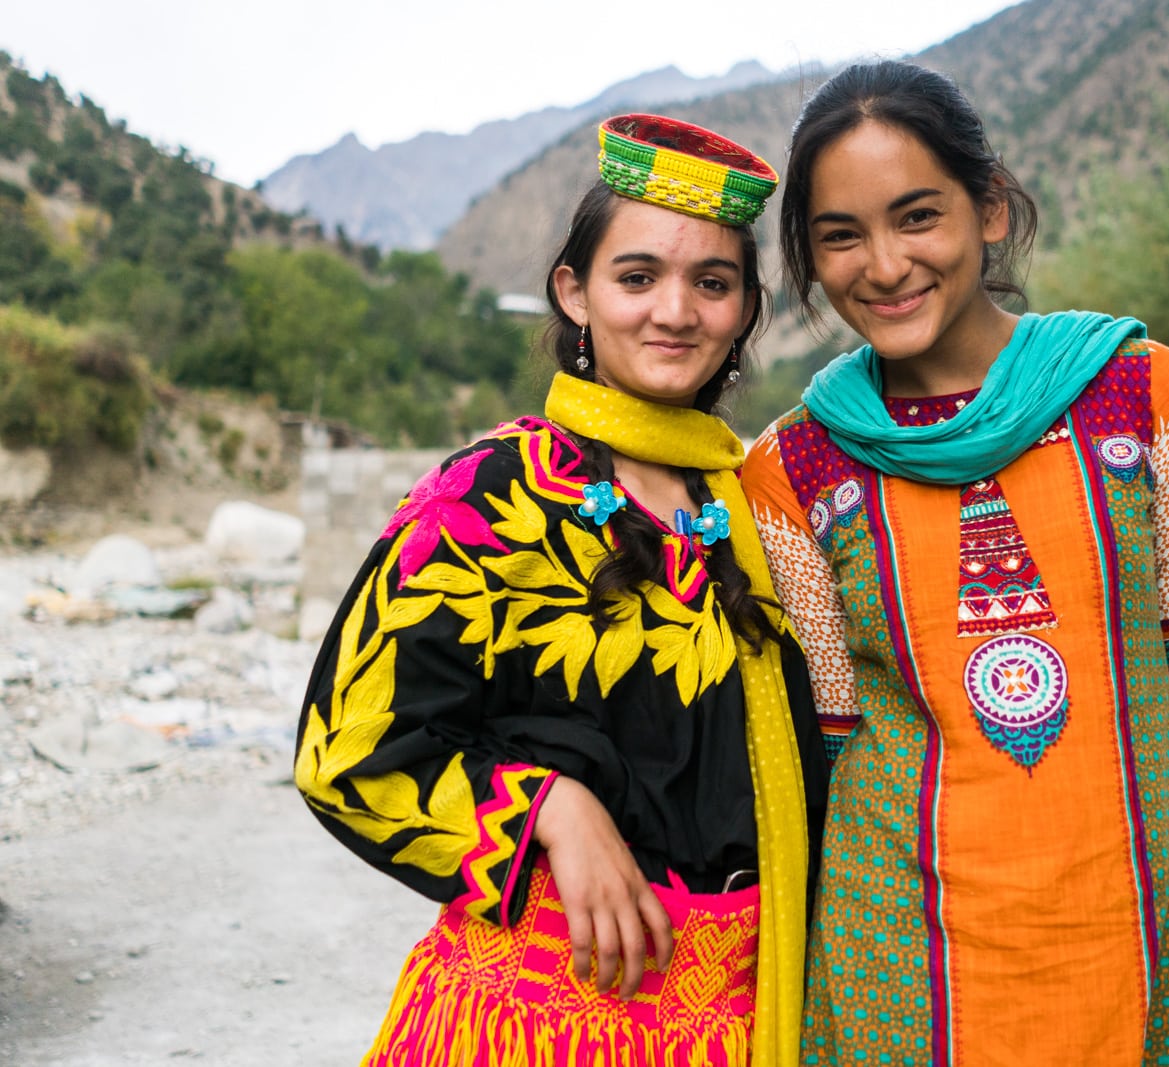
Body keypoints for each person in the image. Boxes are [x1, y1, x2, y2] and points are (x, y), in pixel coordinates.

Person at [740, 61, 1169, 1064]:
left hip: (1133, 900)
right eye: (840, 235)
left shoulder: (1146, 397)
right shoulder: (791, 469)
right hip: (893, 941)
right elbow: (836, 731)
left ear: (988, 208)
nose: (883, 264)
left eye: (916, 216)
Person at [295, 113, 827, 1067]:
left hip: (744, 1021)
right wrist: (546, 806)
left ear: (748, 310)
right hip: (536, 1020)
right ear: (574, 293)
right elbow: (350, 747)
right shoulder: (489, 495)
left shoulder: (760, 507)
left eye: (712, 283)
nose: (675, 310)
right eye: (637, 276)